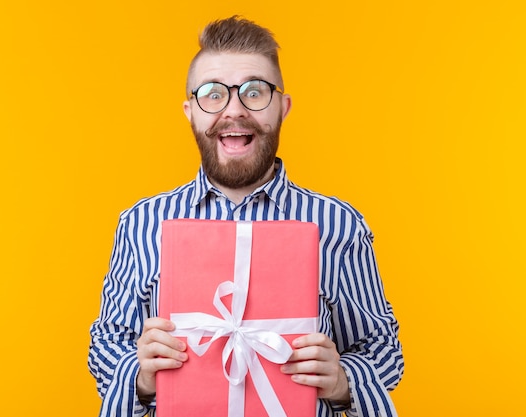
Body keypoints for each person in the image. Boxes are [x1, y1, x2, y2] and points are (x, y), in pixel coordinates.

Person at [88, 15, 404, 417]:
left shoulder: (339, 224)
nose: (234, 110)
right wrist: (140, 375)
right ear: (190, 111)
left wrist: (343, 381)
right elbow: (106, 344)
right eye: (213, 94)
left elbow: (381, 348)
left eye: (255, 92)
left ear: (283, 107)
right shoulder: (141, 222)